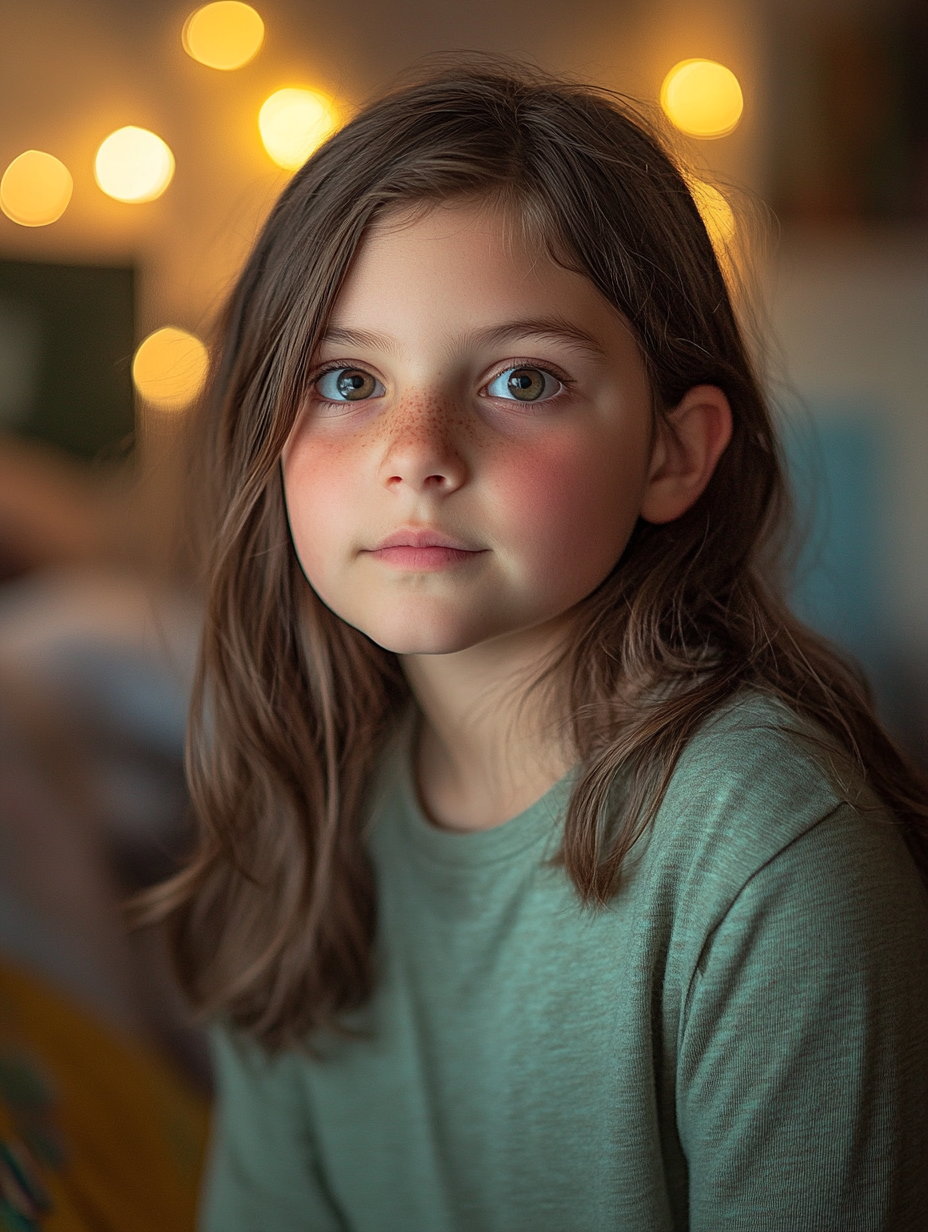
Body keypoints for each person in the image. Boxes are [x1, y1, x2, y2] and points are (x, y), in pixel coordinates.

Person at [149, 62, 928, 1231]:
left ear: (674, 452)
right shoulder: (303, 819)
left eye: (522, 378)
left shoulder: (770, 854)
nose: (417, 452)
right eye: (346, 378)